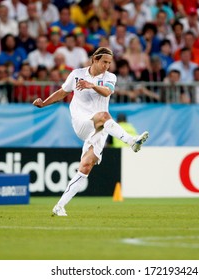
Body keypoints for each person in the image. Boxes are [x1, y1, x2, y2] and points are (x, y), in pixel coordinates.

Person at [32, 47, 149, 216]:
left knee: (86, 166)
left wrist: (92, 85)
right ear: (94, 59)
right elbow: (62, 92)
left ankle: (59, 206)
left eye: (109, 63)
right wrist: (44, 103)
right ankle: (131, 141)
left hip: (101, 129)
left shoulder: (110, 77)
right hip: (82, 122)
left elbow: (107, 91)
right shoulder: (76, 74)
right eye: (104, 62)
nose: (107, 66)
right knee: (104, 115)